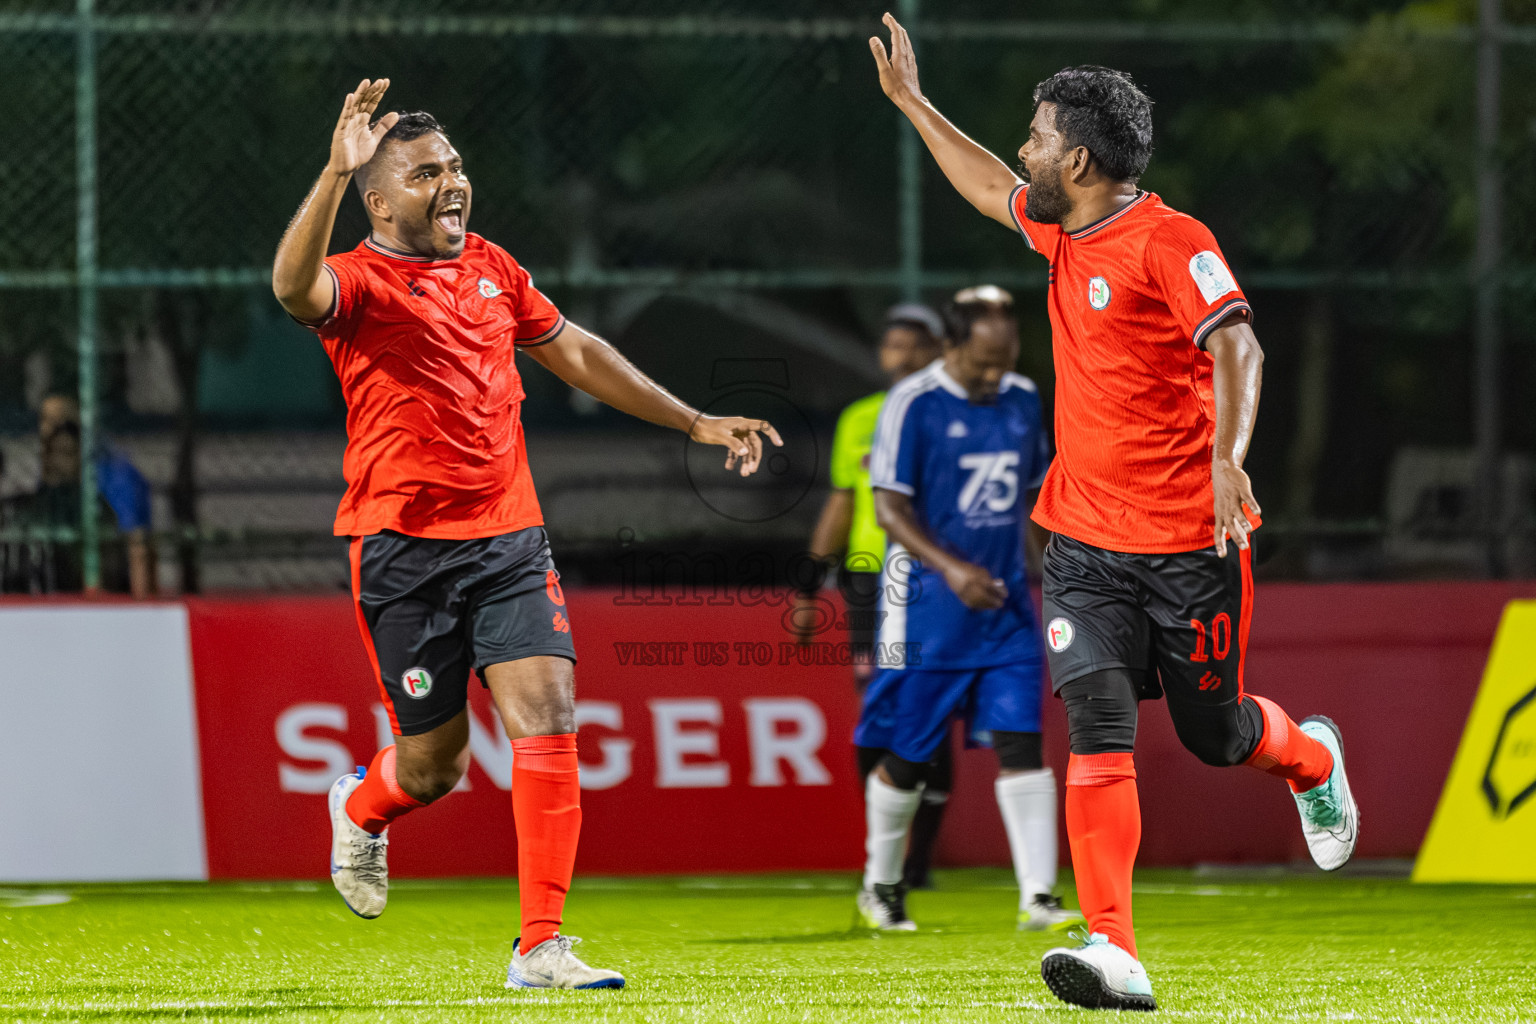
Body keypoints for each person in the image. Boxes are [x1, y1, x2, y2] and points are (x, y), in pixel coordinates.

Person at [871, 18, 1359, 1011]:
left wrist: (1227, 458)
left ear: (1081, 161)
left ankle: (1311, 758)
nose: (1026, 150)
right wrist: (915, 106)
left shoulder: (1173, 241)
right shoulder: (1062, 229)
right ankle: (1114, 949)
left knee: (1218, 734)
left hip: (1189, 545)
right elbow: (986, 185)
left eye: (1039, 136)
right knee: (1096, 722)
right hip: (1084, 541)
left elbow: (1240, 345)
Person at [271, 80, 781, 991]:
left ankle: (540, 946)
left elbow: (575, 350)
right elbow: (289, 286)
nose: (453, 183)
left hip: (509, 538)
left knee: (549, 719)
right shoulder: (357, 281)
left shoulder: (493, 267)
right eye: (426, 174)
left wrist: (693, 420)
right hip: (402, 550)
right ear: (378, 202)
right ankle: (362, 806)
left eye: (456, 166)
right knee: (433, 769)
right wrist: (332, 173)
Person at [853, 284, 1082, 936]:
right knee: (910, 754)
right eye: (982, 363)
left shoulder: (1022, 396)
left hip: (1004, 607)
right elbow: (889, 508)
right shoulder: (912, 403)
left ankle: (1038, 898)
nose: (993, 377)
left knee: (1021, 741)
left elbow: (1034, 498)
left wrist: (1058, 574)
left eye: (1003, 362)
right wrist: (951, 569)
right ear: (950, 347)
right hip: (924, 606)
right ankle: (881, 885)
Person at [795, 302, 949, 890]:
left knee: (933, 707)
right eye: (893, 345)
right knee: (882, 710)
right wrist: (809, 585)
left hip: (937, 577)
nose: (903, 356)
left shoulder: (958, 413)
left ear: (939, 351)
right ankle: (883, 851)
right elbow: (842, 502)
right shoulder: (861, 418)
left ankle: (919, 861)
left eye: (916, 344)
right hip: (870, 579)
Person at [14, 395, 153, 597]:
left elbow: (135, 546)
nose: (47, 429)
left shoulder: (116, 477)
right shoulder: (52, 478)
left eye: (58, 421)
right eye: (44, 420)